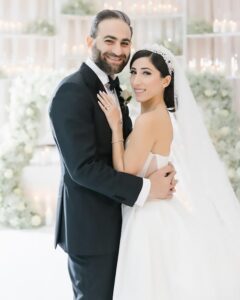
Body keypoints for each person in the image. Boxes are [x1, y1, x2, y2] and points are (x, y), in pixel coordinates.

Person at [49, 11, 176, 300]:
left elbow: (128, 149)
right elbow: (83, 168)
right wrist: (147, 188)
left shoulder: (113, 86)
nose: (119, 51)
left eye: (125, 42)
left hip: (123, 222)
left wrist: (156, 168)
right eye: (110, 40)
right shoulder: (72, 92)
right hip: (92, 231)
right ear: (89, 40)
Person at [97, 44, 240, 299]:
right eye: (134, 72)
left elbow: (124, 170)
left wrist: (116, 126)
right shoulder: (163, 115)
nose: (137, 80)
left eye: (146, 73)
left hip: (148, 218)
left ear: (166, 80)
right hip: (160, 209)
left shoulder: (149, 119)